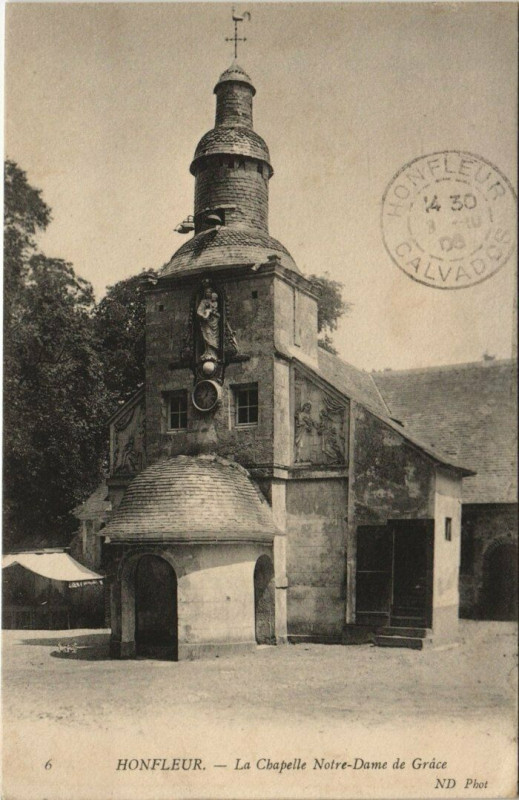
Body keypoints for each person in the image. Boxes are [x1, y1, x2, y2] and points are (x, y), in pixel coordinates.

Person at [197, 287, 220, 361]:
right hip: (206, 322)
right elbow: (199, 311)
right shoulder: (203, 302)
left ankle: (213, 353)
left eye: (209, 292)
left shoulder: (215, 302)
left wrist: (212, 312)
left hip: (214, 322)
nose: (208, 293)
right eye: (206, 292)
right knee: (207, 334)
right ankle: (207, 352)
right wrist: (204, 315)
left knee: (213, 336)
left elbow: (217, 313)